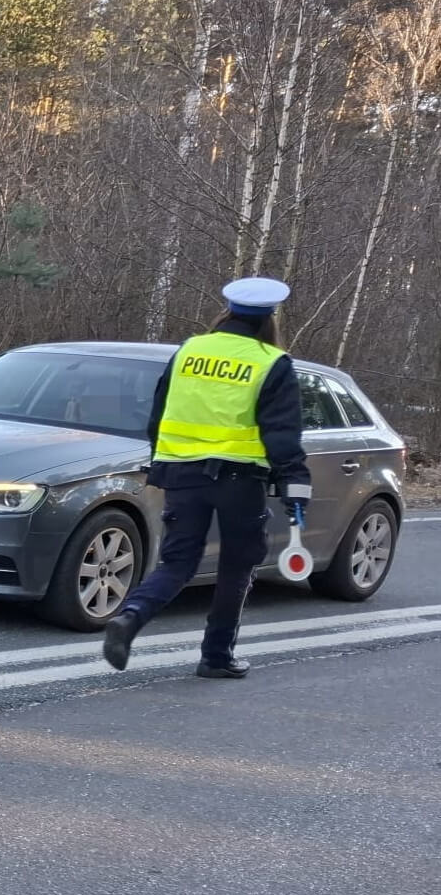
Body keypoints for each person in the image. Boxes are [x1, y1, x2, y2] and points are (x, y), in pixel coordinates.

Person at [102, 276, 310, 678]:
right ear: (270, 318)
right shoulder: (272, 362)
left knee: (177, 561)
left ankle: (130, 616)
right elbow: (282, 434)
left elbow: (159, 413)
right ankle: (216, 657)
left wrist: (162, 461)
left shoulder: (189, 350)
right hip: (240, 480)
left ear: (228, 311)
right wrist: (295, 489)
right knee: (238, 565)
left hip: (182, 473)